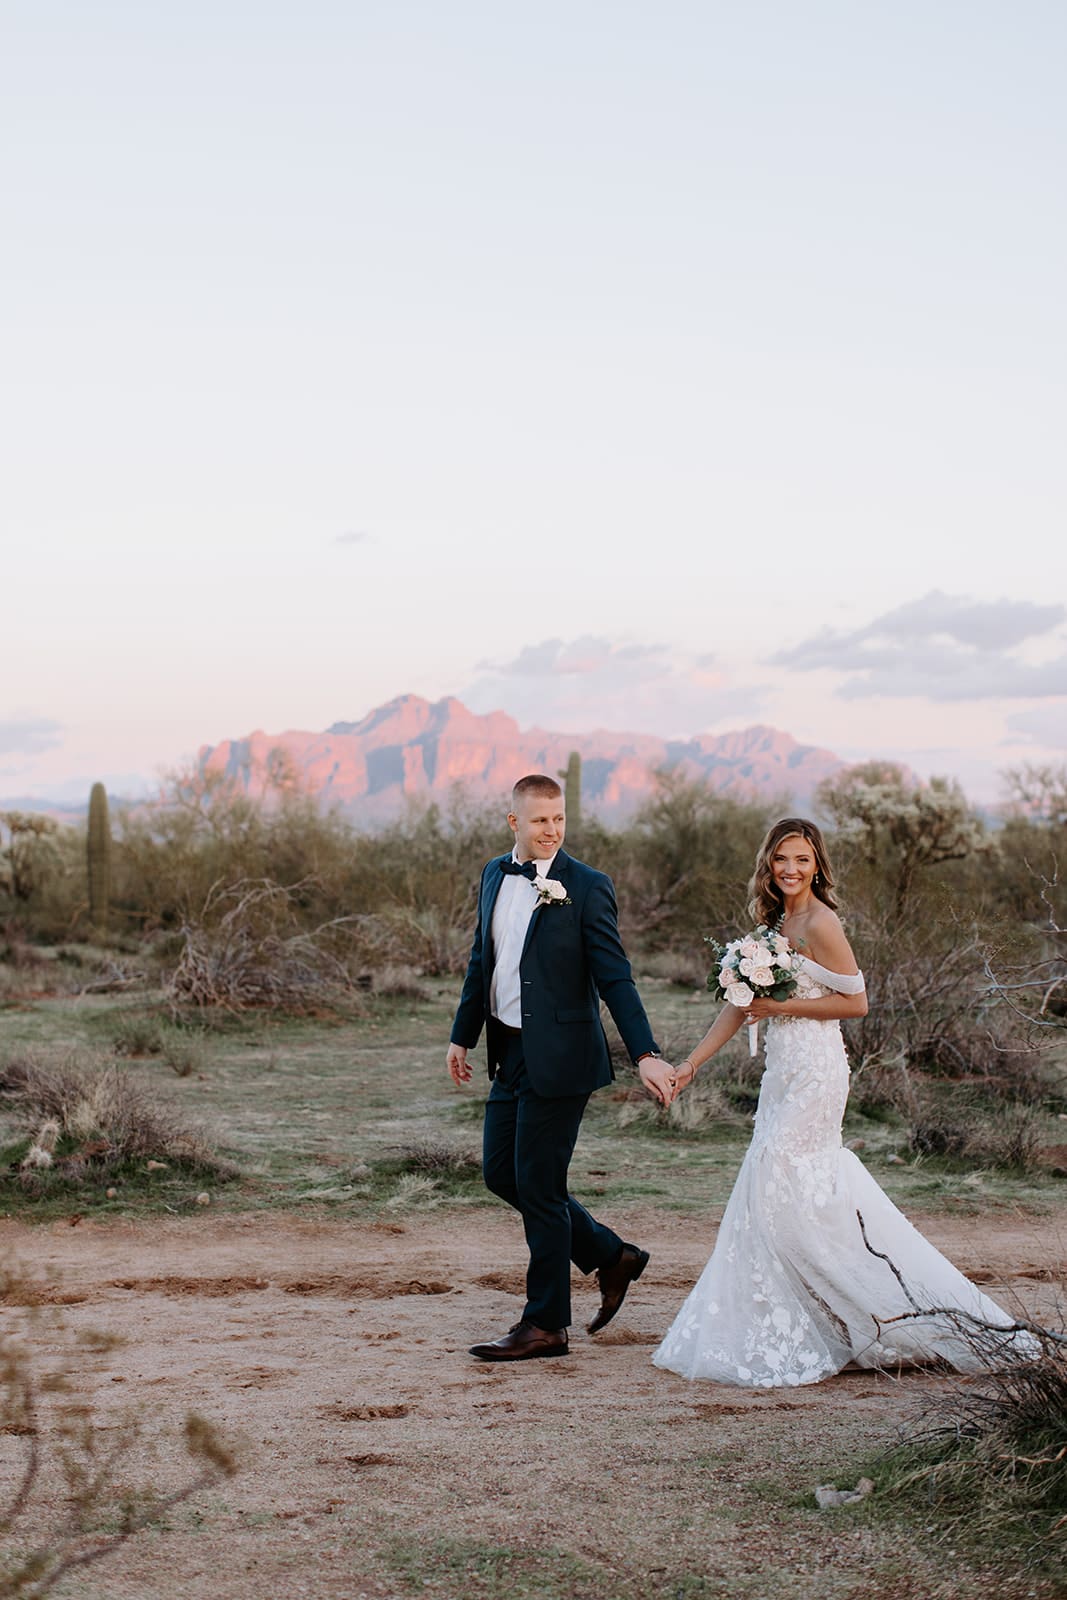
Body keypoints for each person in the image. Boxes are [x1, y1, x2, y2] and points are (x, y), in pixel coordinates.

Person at [653, 817, 1033, 1387]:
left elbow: (857, 1004)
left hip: (818, 1073)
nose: (791, 869)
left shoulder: (822, 922)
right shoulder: (772, 925)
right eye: (782, 858)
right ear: (768, 863)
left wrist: (781, 1010)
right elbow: (737, 1005)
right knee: (780, 1192)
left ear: (817, 865)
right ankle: (826, 1315)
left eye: (802, 859)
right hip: (782, 1073)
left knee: (781, 1180)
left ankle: (869, 1311)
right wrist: (690, 1065)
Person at [448, 773, 676, 1362]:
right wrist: (462, 1035)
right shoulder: (494, 875)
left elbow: (614, 977)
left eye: (559, 819)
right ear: (513, 822)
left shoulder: (588, 887)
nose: (551, 830)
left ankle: (546, 1323)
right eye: (540, 820)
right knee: (502, 1174)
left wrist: (645, 1054)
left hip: (565, 1058)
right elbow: (483, 960)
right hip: (510, 1051)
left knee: (541, 1189)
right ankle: (610, 1255)